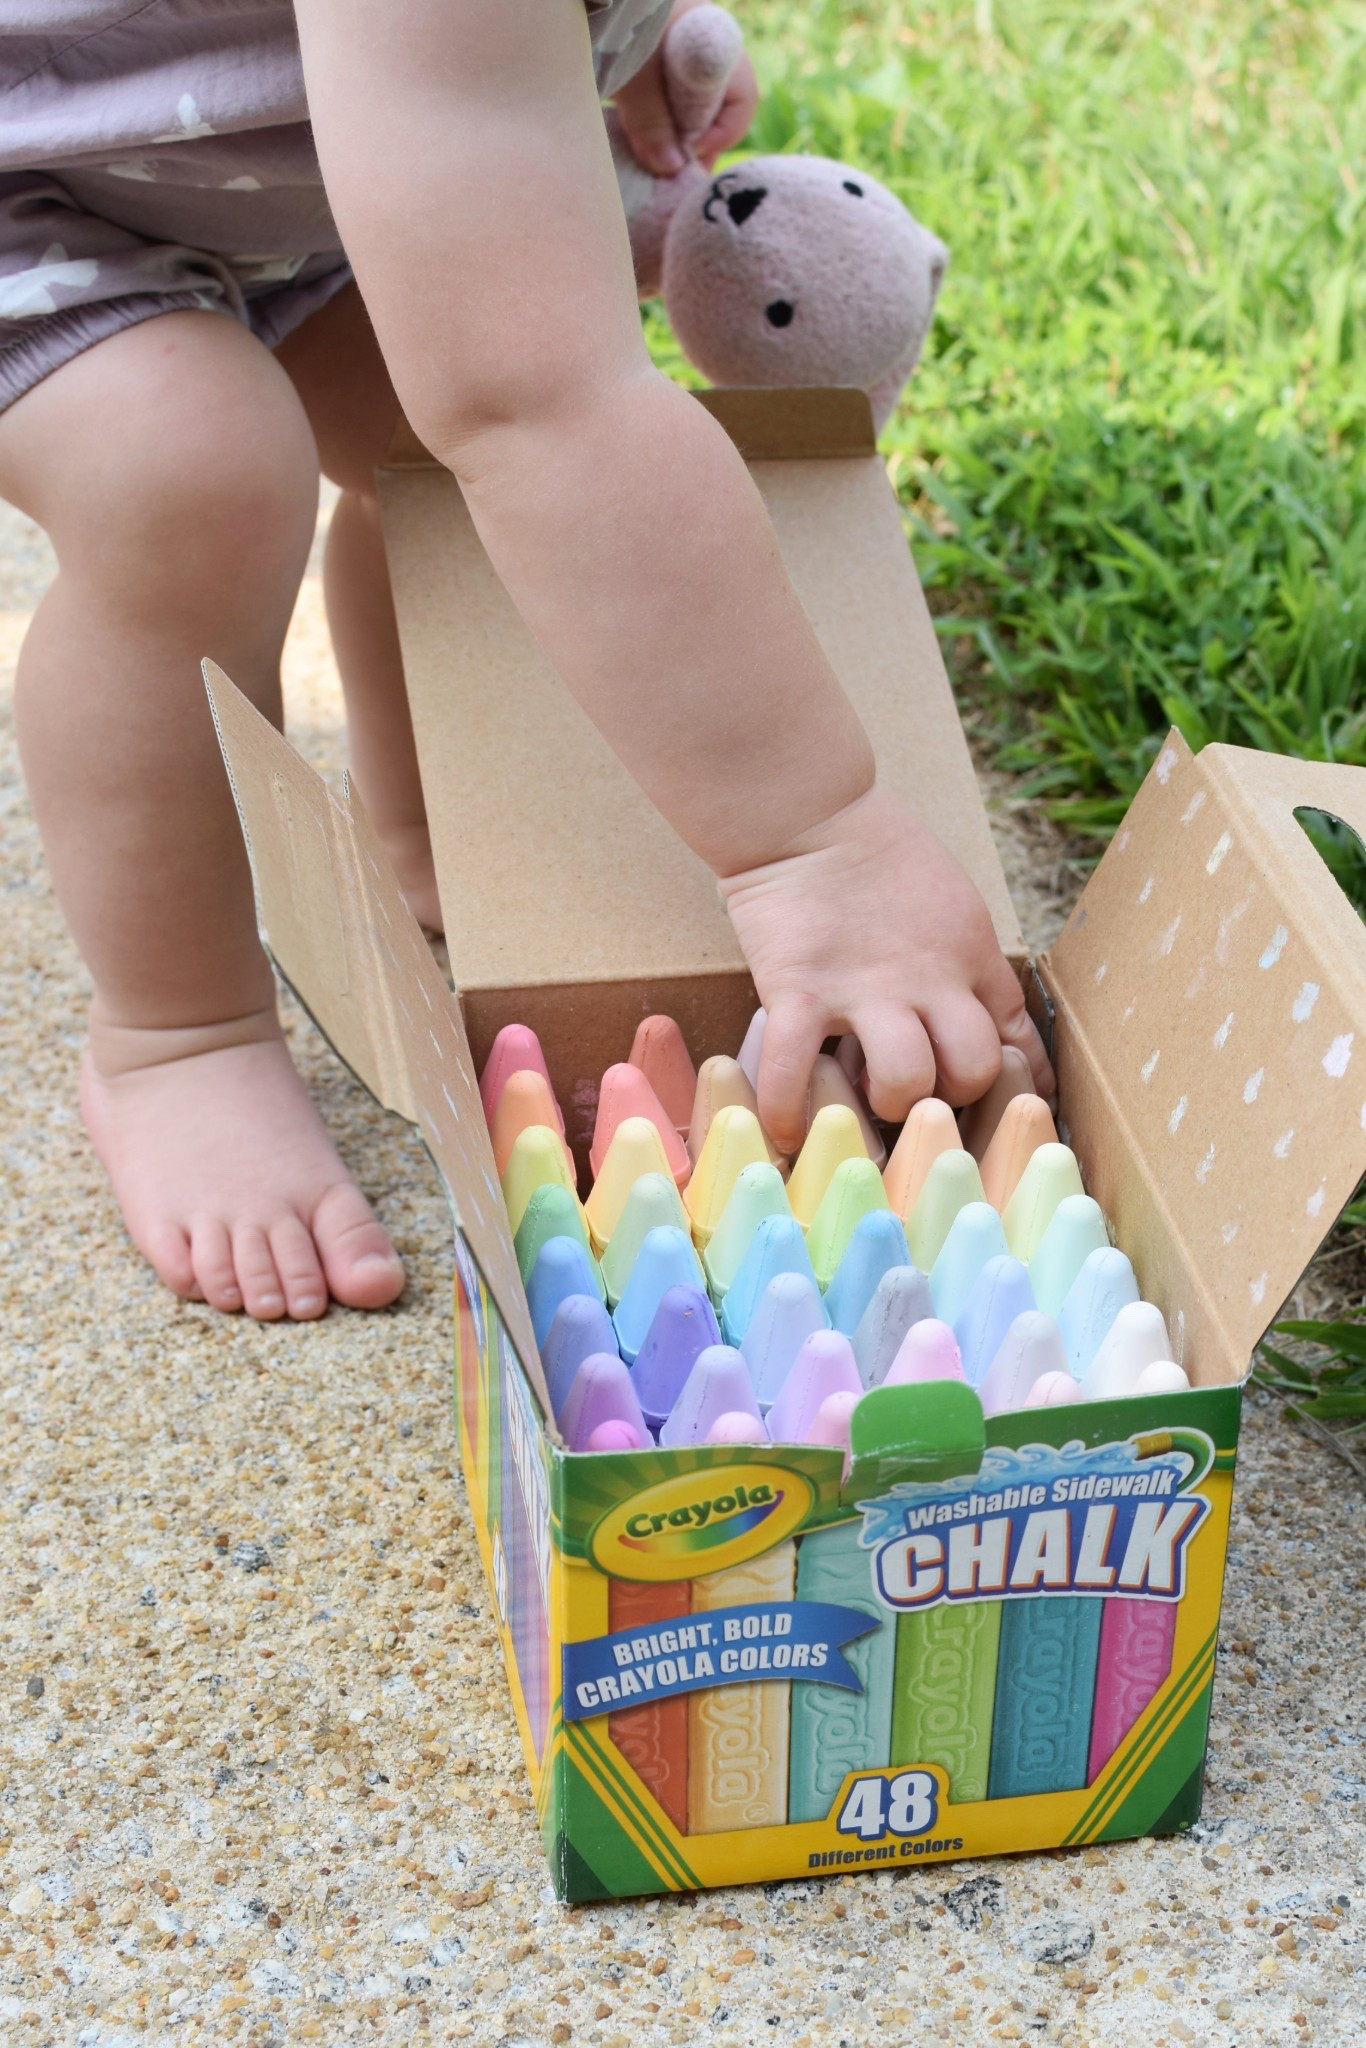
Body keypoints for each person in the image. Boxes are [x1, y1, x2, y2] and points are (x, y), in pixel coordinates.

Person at [0, 0, 1050, 1323]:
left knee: (432, 421)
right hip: (36, 179)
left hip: (274, 147)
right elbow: (530, 404)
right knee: (191, 477)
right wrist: (813, 840)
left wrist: (616, 46)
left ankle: (422, 825)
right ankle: (176, 1032)